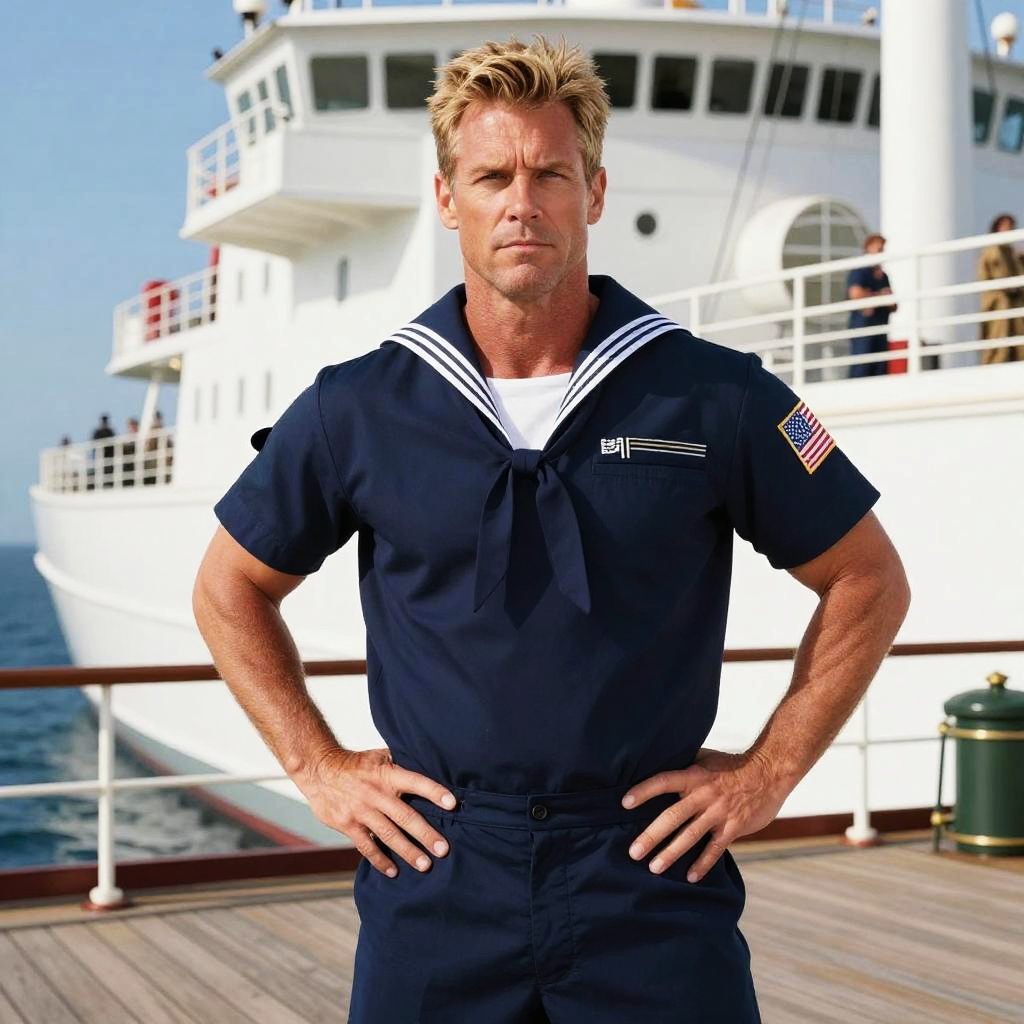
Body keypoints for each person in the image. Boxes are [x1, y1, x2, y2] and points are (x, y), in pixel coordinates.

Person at [193, 38, 909, 1023]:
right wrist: (318, 766)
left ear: (594, 192)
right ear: (448, 198)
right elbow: (228, 587)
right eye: (491, 175)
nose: (520, 200)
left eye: (549, 173)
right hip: (437, 877)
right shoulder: (358, 406)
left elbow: (867, 577)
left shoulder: (712, 396)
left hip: (647, 876)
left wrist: (765, 774)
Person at [846, 233, 897, 377]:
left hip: (880, 330)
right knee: (861, 369)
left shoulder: (883, 276)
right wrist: (881, 296)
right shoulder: (860, 271)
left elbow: (893, 304)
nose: (882, 253)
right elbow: (855, 294)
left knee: (880, 370)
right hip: (863, 330)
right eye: (879, 249)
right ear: (868, 248)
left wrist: (871, 296)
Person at [978, 212, 1024, 364]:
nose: (1010, 230)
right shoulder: (992, 249)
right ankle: (996, 360)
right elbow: (990, 273)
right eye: (1007, 227)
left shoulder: (1010, 251)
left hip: (1014, 301)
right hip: (998, 302)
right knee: (998, 334)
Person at [90, 414, 115, 489]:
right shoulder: (100, 431)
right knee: (101, 471)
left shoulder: (109, 431)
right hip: (102, 456)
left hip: (108, 456)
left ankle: (107, 484)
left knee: (107, 471)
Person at [123, 417, 139, 487]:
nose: (130, 428)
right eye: (129, 426)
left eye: (132, 425)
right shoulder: (128, 438)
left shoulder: (140, 436)